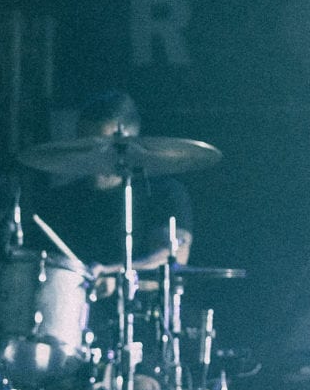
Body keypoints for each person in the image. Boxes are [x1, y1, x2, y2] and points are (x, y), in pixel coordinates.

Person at [38, 90, 193, 278]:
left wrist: (112, 275)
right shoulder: (60, 201)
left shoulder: (164, 194)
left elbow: (171, 260)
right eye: (84, 144)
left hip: (140, 296)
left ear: (129, 144)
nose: (92, 152)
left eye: (101, 145)